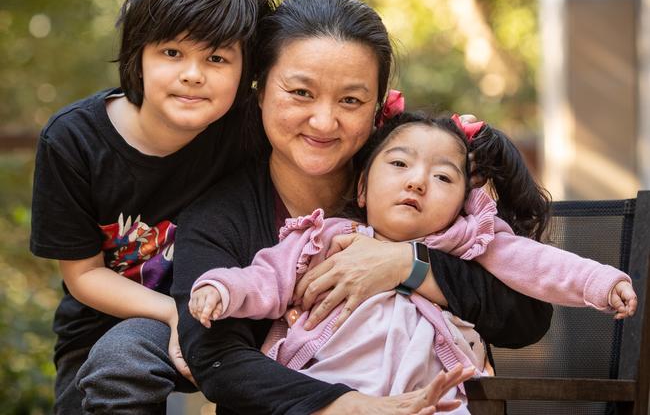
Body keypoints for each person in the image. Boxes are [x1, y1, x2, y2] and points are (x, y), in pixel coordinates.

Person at [171, 0, 554, 414]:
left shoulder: (419, 185)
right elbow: (216, 358)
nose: (323, 121)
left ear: (376, 108)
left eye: (350, 100)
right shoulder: (219, 216)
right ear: (259, 92)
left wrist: (408, 265)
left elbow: (527, 316)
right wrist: (353, 407)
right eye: (300, 92)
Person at [187, 111, 637, 412]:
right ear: (362, 188)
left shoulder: (469, 244)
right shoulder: (321, 238)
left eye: (443, 176)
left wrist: (601, 283)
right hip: (333, 389)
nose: (418, 182)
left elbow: (541, 265)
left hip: (435, 397)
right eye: (399, 164)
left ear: (464, 202)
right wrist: (222, 290)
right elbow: (266, 278)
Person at [29, 0, 278, 413]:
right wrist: (171, 312)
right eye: (171, 52)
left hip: (229, 314)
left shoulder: (253, 129)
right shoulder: (74, 141)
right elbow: (83, 275)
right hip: (104, 330)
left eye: (217, 58)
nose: (192, 74)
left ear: (248, 72)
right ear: (137, 54)